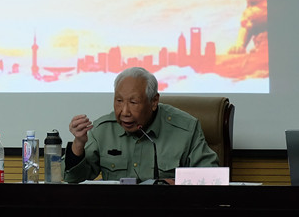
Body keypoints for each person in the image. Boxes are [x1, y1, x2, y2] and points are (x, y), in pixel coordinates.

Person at [63, 67, 219, 183]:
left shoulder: (185, 129)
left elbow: (212, 178)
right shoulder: (103, 130)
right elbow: (73, 179)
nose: (124, 112)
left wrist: (176, 184)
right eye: (119, 101)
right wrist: (78, 144)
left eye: (133, 102)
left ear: (154, 101)